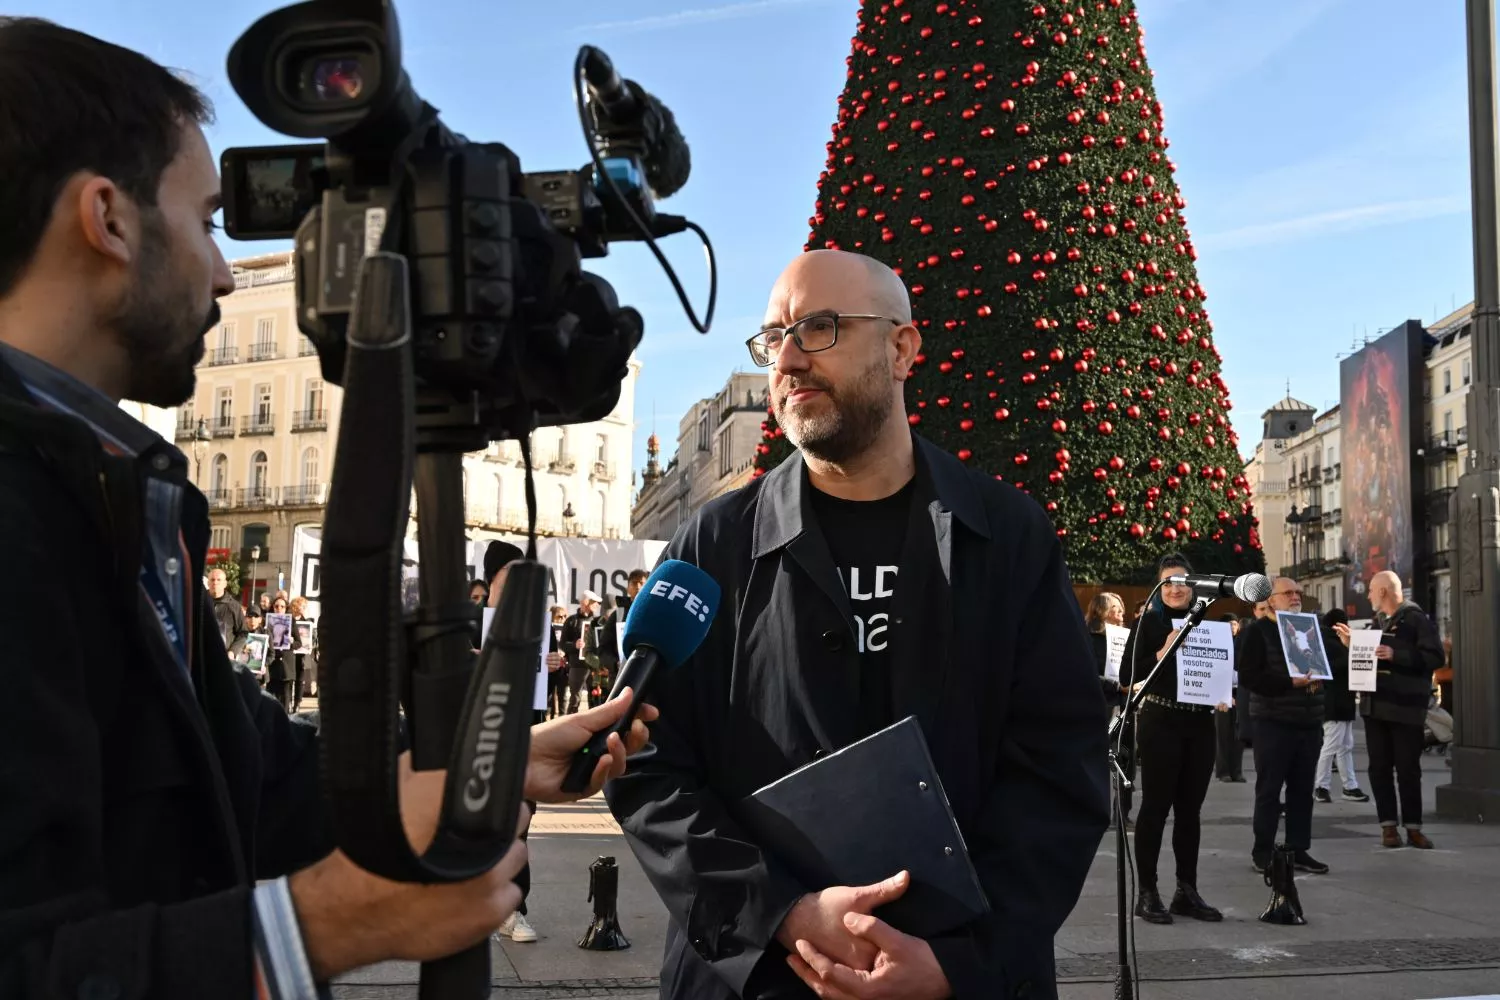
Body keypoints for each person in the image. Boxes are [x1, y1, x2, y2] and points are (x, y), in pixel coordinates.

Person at [0, 19, 656, 996]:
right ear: (109, 218)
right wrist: (324, 924)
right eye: (208, 221)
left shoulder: (115, 489)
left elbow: (245, 772)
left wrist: (488, 766)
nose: (225, 271)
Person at [605, 249, 1110, 1000]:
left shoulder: (1008, 536)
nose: (788, 359)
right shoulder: (712, 545)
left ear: (902, 349)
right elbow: (646, 763)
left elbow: (1060, 766)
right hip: (759, 980)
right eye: (774, 337)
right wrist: (781, 914)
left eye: (820, 327)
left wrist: (960, 962)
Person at [1122, 555, 1224, 925]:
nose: (1175, 588)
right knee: (1155, 808)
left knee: (1190, 812)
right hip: (1161, 721)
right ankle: (1147, 892)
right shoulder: (1147, 623)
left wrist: (1222, 689)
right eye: (1168, 582)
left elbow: (1216, 669)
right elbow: (1126, 675)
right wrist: (1161, 653)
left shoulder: (1206, 623)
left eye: (1181, 581)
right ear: (1158, 587)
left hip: (1200, 724)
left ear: (1193, 585)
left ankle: (1186, 890)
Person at [1331, 570, 1443, 849]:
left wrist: (1397, 655)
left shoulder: (1415, 619)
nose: (1368, 595)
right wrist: (1353, 645)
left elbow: (1435, 657)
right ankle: (1388, 827)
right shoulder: (1376, 623)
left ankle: (1414, 828)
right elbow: (1369, 659)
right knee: (1379, 769)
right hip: (1375, 708)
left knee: (1408, 770)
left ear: (1382, 591)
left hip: (1405, 709)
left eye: (1371, 590)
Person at [1237, 578, 1329, 876]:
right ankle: (1263, 851)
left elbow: (1333, 667)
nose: (1295, 596)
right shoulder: (1257, 631)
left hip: (1308, 722)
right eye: (1287, 592)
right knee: (1269, 790)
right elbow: (1249, 676)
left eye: (1298, 592)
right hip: (1272, 722)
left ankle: (1297, 849)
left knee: (1302, 791)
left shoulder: (1311, 628)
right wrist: (1289, 683)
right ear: (1271, 600)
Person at [1085, 592, 1132, 830]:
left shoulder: (1127, 637)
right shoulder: (1087, 637)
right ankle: (1094, 812)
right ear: (1101, 610)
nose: (1121, 613)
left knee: (1125, 759)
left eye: (1122, 609)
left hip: (1124, 705)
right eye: (1116, 608)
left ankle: (1122, 814)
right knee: (1097, 761)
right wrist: (1116, 686)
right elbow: (1087, 672)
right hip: (1098, 705)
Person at [1314, 608, 1369, 804]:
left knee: (1345, 745)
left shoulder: (1331, 641)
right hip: (1335, 700)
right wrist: (1349, 652)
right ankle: (1322, 786)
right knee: (1332, 745)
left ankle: (1349, 786)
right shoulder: (1329, 643)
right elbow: (1328, 668)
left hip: (1342, 699)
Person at [1215, 614, 1246, 782]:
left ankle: (1237, 771)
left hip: (1239, 691)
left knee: (1239, 734)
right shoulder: (1217, 645)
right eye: (1229, 624)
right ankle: (1223, 771)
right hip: (1222, 693)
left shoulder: (1242, 644)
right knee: (1223, 734)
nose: (1233, 627)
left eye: (1235, 624)